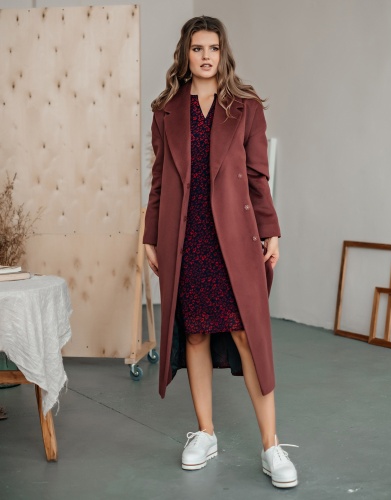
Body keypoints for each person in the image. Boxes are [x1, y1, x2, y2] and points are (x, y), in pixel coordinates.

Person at [143, 15, 298, 489]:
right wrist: (150, 234)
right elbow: (159, 181)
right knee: (194, 334)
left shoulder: (245, 107)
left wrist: (270, 230)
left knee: (247, 335)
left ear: (223, 53)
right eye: (197, 48)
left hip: (233, 237)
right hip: (185, 237)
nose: (206, 56)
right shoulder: (166, 111)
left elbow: (257, 177)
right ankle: (206, 433)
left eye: (212, 48)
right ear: (185, 54)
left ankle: (271, 445)